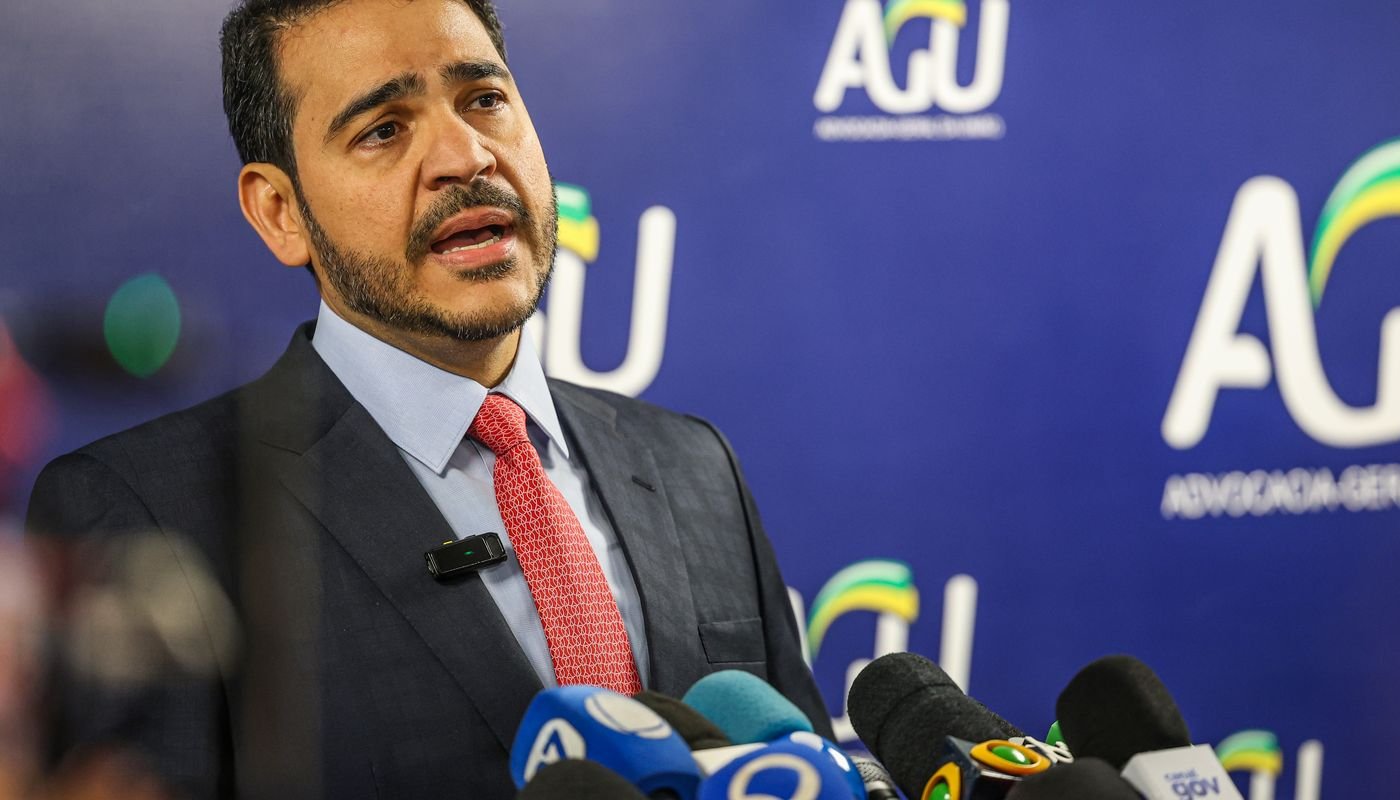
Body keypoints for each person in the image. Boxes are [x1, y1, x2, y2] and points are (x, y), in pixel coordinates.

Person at [25, 0, 828, 797]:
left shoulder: (696, 466)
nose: (465, 156)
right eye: (383, 129)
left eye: (484, 100)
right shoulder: (146, 514)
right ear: (281, 211)